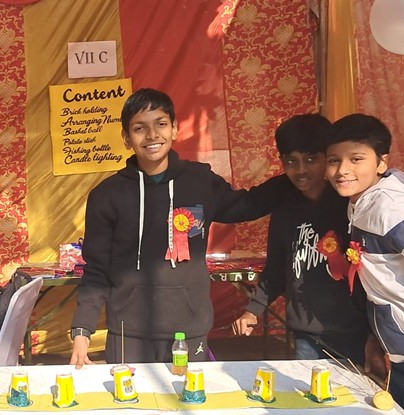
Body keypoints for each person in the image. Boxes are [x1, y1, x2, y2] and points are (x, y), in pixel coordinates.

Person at [69, 88, 287, 367]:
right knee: (131, 397)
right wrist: (82, 331)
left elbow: (246, 205)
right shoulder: (106, 195)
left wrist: (295, 178)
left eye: (160, 124)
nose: (152, 135)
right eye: (139, 128)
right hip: (128, 333)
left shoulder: (200, 181)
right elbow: (96, 270)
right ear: (126, 138)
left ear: (174, 129)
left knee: (189, 394)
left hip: (190, 329)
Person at [231, 114, 383, 370]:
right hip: (305, 335)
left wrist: (374, 334)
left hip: (353, 334)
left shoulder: (350, 205)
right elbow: (277, 268)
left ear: (328, 158)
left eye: (311, 159)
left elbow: (374, 276)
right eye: (292, 161)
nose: (301, 170)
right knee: (310, 394)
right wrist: (252, 310)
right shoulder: (284, 209)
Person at [325, 113, 404, 407]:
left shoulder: (391, 208)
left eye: (356, 159)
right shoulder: (361, 200)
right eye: (334, 160)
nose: (342, 170)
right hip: (396, 346)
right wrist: (377, 334)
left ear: (381, 163)